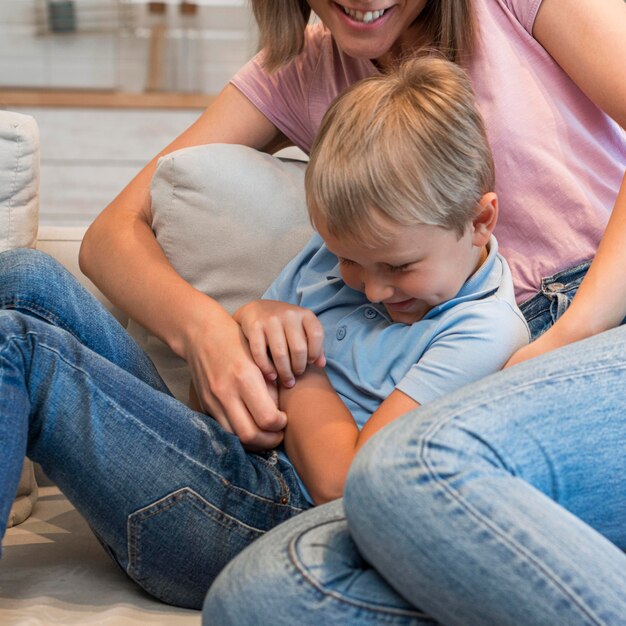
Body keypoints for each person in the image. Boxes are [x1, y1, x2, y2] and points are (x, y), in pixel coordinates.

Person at [0, 57, 527, 608]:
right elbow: (207, 403)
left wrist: (291, 365)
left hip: (271, 522)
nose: (371, 290)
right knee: (25, 276)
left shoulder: (481, 331)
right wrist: (250, 320)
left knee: (20, 346)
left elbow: (345, 488)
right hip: (214, 456)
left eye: (398, 268)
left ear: (481, 221)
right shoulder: (331, 255)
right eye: (351, 261)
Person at [78, 0, 626, 452]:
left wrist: (574, 332)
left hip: (600, 312)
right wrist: (210, 331)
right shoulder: (299, 70)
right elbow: (111, 233)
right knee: (27, 288)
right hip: (454, 356)